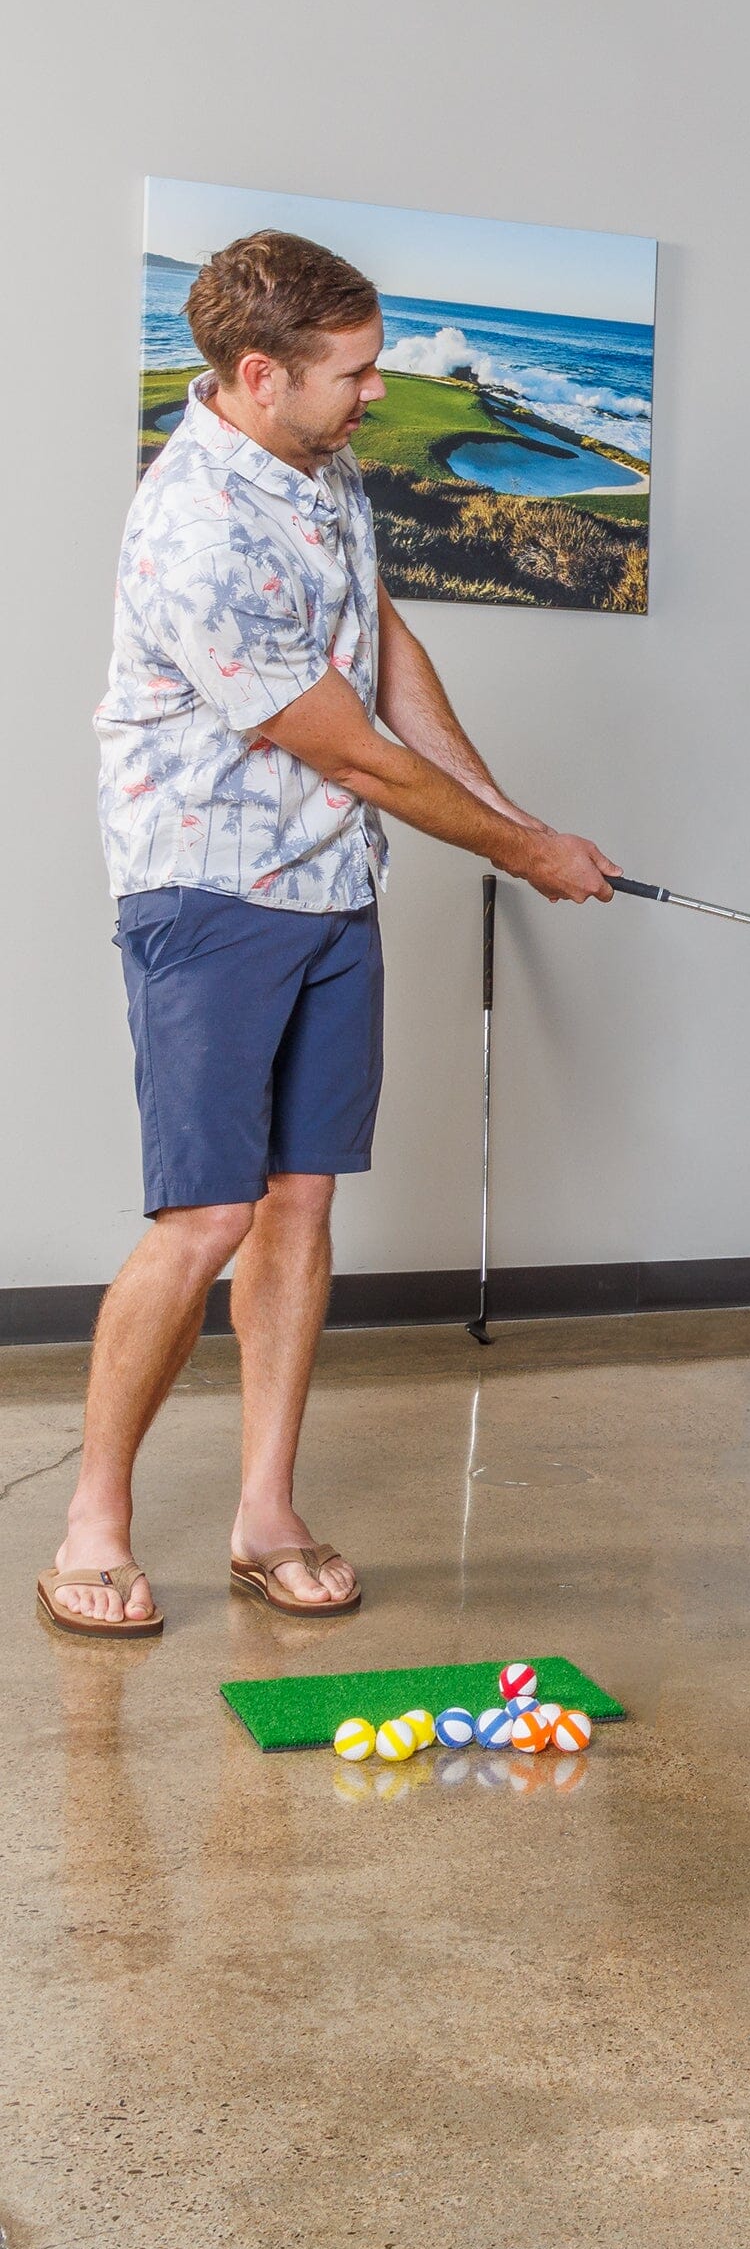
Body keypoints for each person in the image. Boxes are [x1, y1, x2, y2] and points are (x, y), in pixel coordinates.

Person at [41, 232, 617, 1639]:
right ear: (258, 374)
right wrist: (523, 853)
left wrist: (503, 806)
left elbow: (380, 645)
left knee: (300, 1205)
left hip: (328, 889)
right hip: (208, 893)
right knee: (207, 1217)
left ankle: (264, 1515)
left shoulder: (321, 467)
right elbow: (347, 749)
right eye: (356, 374)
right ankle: (91, 1522)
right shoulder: (195, 529)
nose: (380, 393)